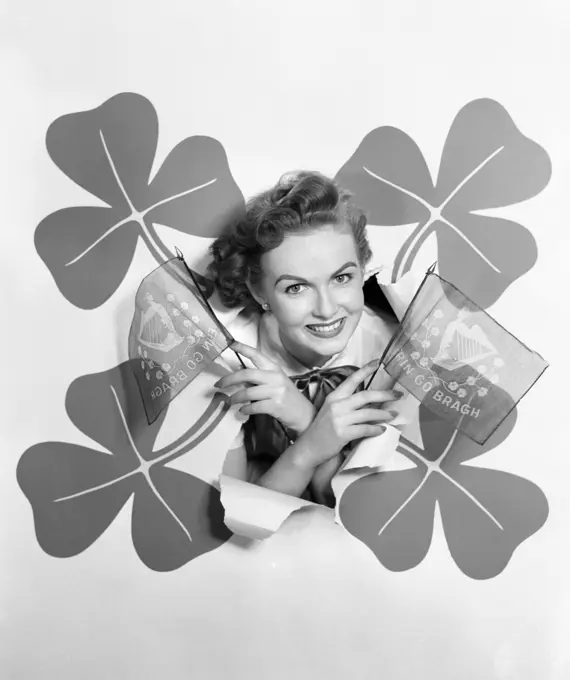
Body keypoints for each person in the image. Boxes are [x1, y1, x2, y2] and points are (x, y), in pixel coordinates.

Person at [208, 170, 402, 507]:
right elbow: (241, 523)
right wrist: (313, 444)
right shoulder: (228, 361)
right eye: (296, 287)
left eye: (342, 277)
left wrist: (306, 424)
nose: (327, 310)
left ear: (363, 270)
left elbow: (370, 518)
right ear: (259, 290)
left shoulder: (395, 350)